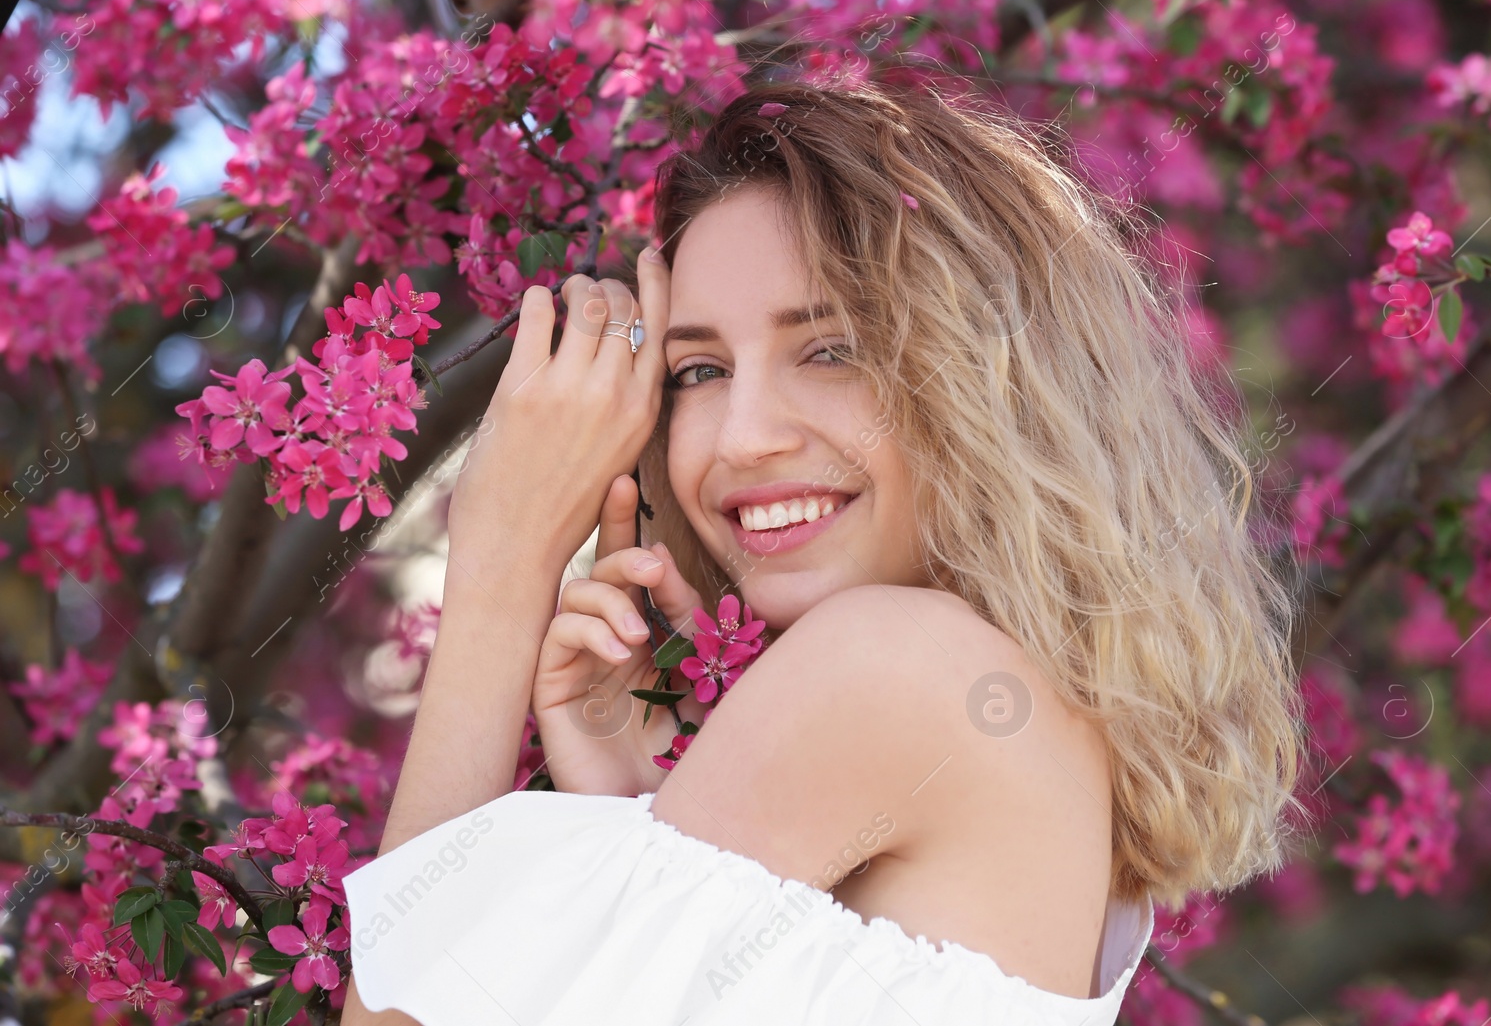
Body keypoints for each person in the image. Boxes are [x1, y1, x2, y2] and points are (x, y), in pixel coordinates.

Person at [340, 78, 1305, 1025]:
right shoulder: (1021, 712)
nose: (741, 437)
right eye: (701, 370)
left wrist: (499, 572)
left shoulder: (901, 659)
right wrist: (649, 814)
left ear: (993, 376)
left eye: (832, 349)